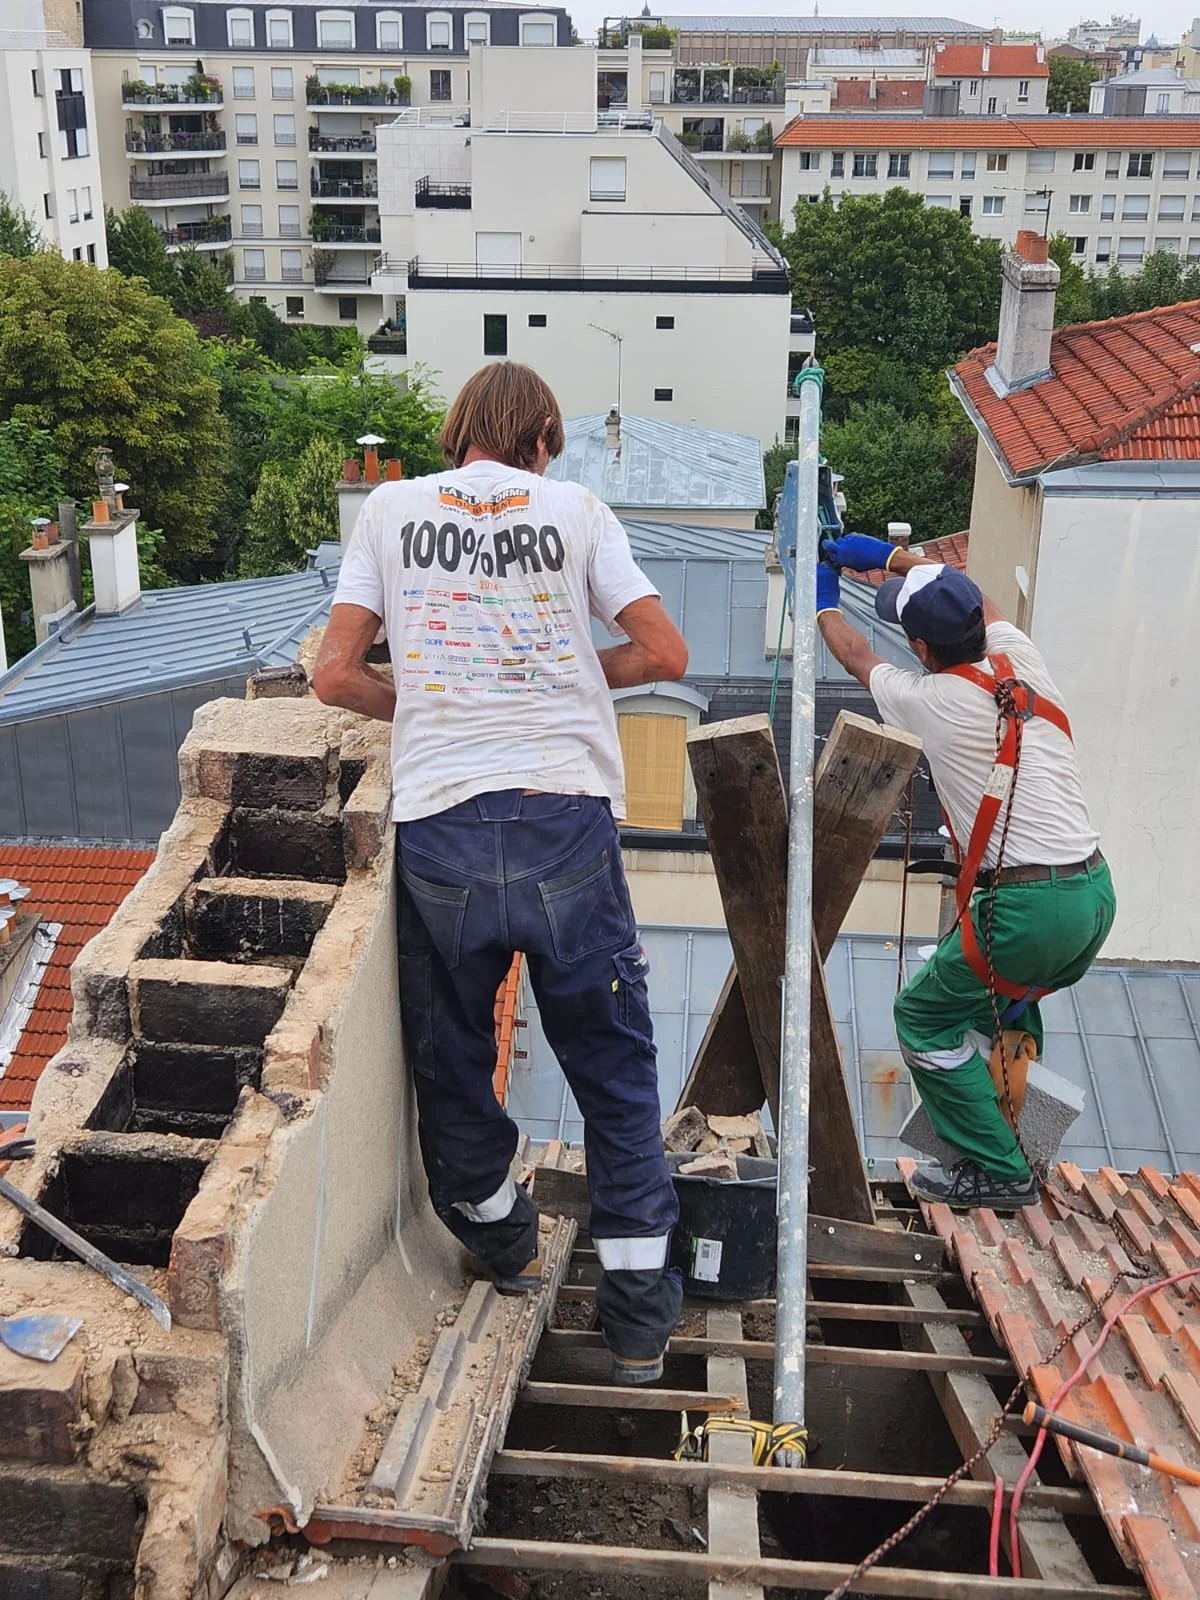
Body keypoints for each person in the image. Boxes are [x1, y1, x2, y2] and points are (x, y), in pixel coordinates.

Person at [312, 362, 688, 1381]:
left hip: (444, 830)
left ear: (461, 432)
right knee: (616, 1080)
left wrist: (438, 702)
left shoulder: (391, 508)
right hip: (567, 826)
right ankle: (641, 1321)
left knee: (450, 1059)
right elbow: (664, 651)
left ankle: (506, 1241)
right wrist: (567, 671)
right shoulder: (577, 510)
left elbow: (333, 672)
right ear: (539, 440)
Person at [815, 534, 1116, 1210]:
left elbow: (854, 653)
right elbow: (975, 593)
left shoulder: (928, 700)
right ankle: (1015, 1125)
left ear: (921, 649)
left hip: (1028, 912)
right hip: (1093, 896)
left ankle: (1001, 1169)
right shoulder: (1020, 658)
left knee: (922, 1018)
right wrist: (892, 559)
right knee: (997, 1004)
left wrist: (822, 597)